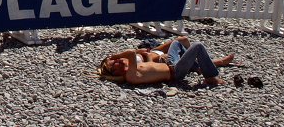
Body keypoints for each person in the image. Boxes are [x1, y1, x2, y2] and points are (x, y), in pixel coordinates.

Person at [99, 36, 233, 87]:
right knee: (197, 46)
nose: (118, 62)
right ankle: (210, 77)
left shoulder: (132, 71)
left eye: (116, 61)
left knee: (176, 43)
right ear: (115, 73)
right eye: (115, 64)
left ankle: (197, 66)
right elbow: (131, 53)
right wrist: (115, 56)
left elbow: (137, 56)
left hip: (170, 64)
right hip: (175, 72)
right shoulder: (131, 76)